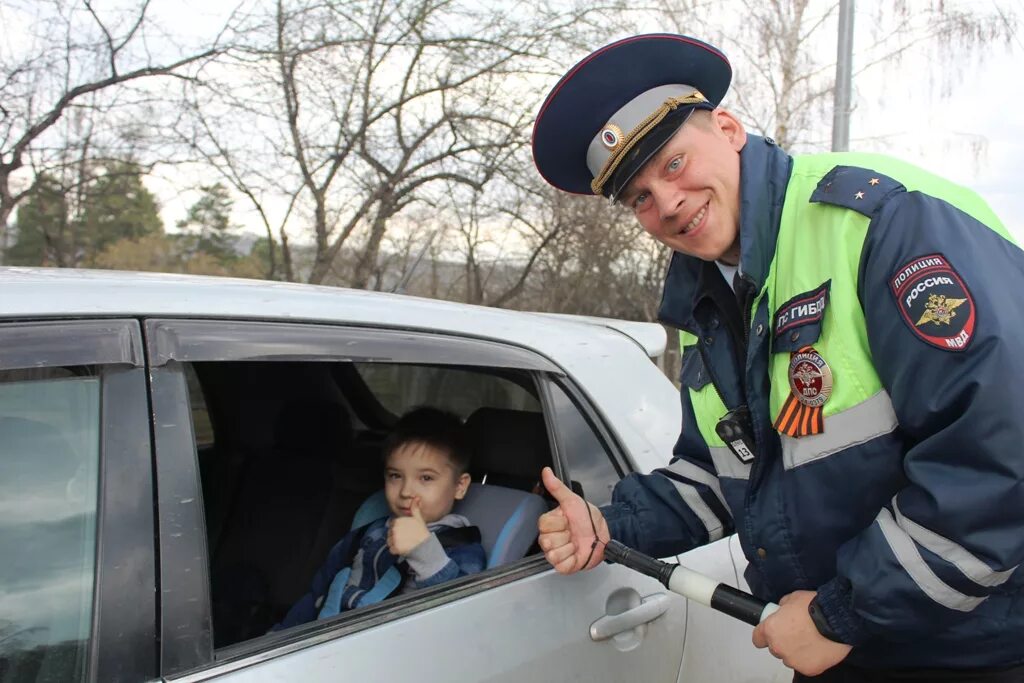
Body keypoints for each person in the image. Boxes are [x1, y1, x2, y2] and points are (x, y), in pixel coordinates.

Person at [530, 33, 1024, 682]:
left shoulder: (879, 220)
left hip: (968, 650)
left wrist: (842, 614)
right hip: (837, 643)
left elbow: (999, 451)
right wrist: (610, 523)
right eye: (640, 198)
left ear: (729, 129)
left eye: (673, 164)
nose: (667, 203)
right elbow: (722, 474)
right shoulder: (709, 301)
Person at [276, 407, 486, 629]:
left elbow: (459, 614)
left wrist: (424, 552)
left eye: (426, 478)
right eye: (395, 476)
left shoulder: (462, 547)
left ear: (460, 486)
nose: (406, 491)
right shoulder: (367, 533)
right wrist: (279, 636)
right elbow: (317, 594)